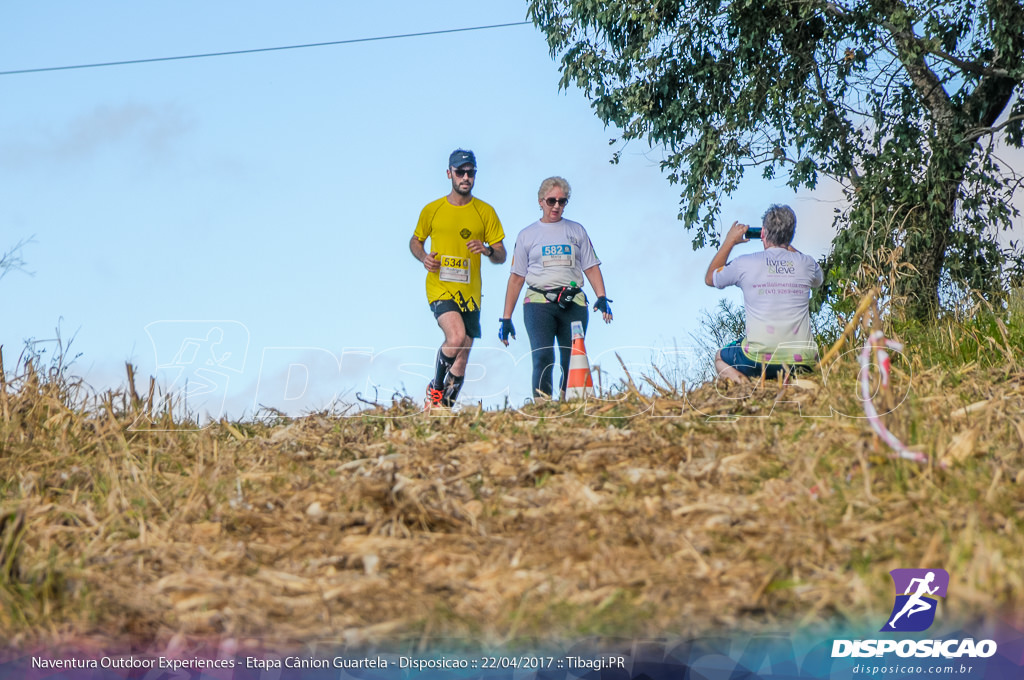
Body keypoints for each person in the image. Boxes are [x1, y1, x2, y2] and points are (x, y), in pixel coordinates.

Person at [499, 176, 612, 399]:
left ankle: (564, 400)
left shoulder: (576, 231)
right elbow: (516, 278)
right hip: (539, 303)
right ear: (541, 201)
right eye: (552, 201)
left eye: (562, 201)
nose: (557, 206)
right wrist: (506, 318)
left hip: (573, 303)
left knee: (571, 356)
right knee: (543, 356)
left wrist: (601, 296)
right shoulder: (527, 235)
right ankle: (542, 405)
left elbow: (590, 266)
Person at [410, 149, 507, 407]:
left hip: (471, 293)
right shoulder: (433, 209)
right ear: (449, 173)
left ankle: (443, 412)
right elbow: (415, 241)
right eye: (460, 172)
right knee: (455, 337)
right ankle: (436, 391)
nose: (466, 177)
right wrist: (424, 258)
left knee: (462, 357)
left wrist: (487, 250)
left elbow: (501, 254)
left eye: (470, 172)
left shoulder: (485, 212)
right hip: (440, 287)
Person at [704, 204, 823, 383]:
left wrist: (730, 241)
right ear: (791, 235)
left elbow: (710, 278)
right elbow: (819, 279)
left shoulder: (744, 263)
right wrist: (785, 244)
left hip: (757, 361)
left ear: (762, 234)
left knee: (720, 357)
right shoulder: (806, 264)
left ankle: (747, 390)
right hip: (803, 361)